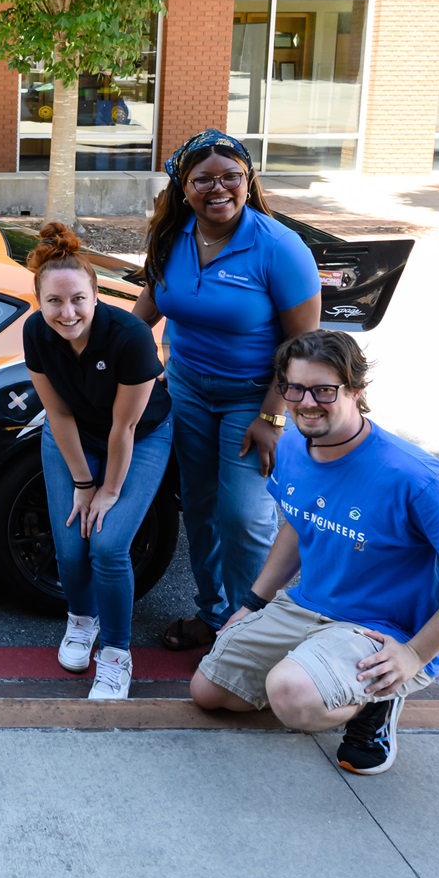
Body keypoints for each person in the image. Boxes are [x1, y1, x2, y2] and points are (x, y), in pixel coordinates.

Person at [189, 330, 439, 775]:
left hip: (382, 631)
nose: (306, 402)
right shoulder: (296, 444)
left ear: (357, 391)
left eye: (324, 390)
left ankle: (379, 701)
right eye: (294, 388)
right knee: (210, 692)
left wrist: (415, 653)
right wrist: (252, 603)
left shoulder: (414, 477)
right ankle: (317, 670)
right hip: (308, 607)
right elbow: (298, 525)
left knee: (291, 695)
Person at [133, 129, 321, 653]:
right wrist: (115, 363)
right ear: (183, 187)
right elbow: (144, 313)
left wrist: (274, 415)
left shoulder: (279, 248)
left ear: (249, 178)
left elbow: (304, 346)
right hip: (188, 389)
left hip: (254, 398)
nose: (219, 188)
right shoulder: (172, 237)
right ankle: (213, 614)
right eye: (204, 179)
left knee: (243, 515)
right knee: (199, 507)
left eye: (231, 176)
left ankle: (254, 631)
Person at [22, 223, 174, 700]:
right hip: (71, 435)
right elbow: (59, 413)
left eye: (78, 300)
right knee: (69, 546)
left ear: (94, 296)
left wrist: (107, 491)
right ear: (40, 300)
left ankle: (115, 653)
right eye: (54, 302)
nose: (67, 313)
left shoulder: (129, 336)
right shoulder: (36, 333)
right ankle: (81, 621)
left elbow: (124, 428)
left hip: (139, 435)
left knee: (107, 547)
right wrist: (83, 483)